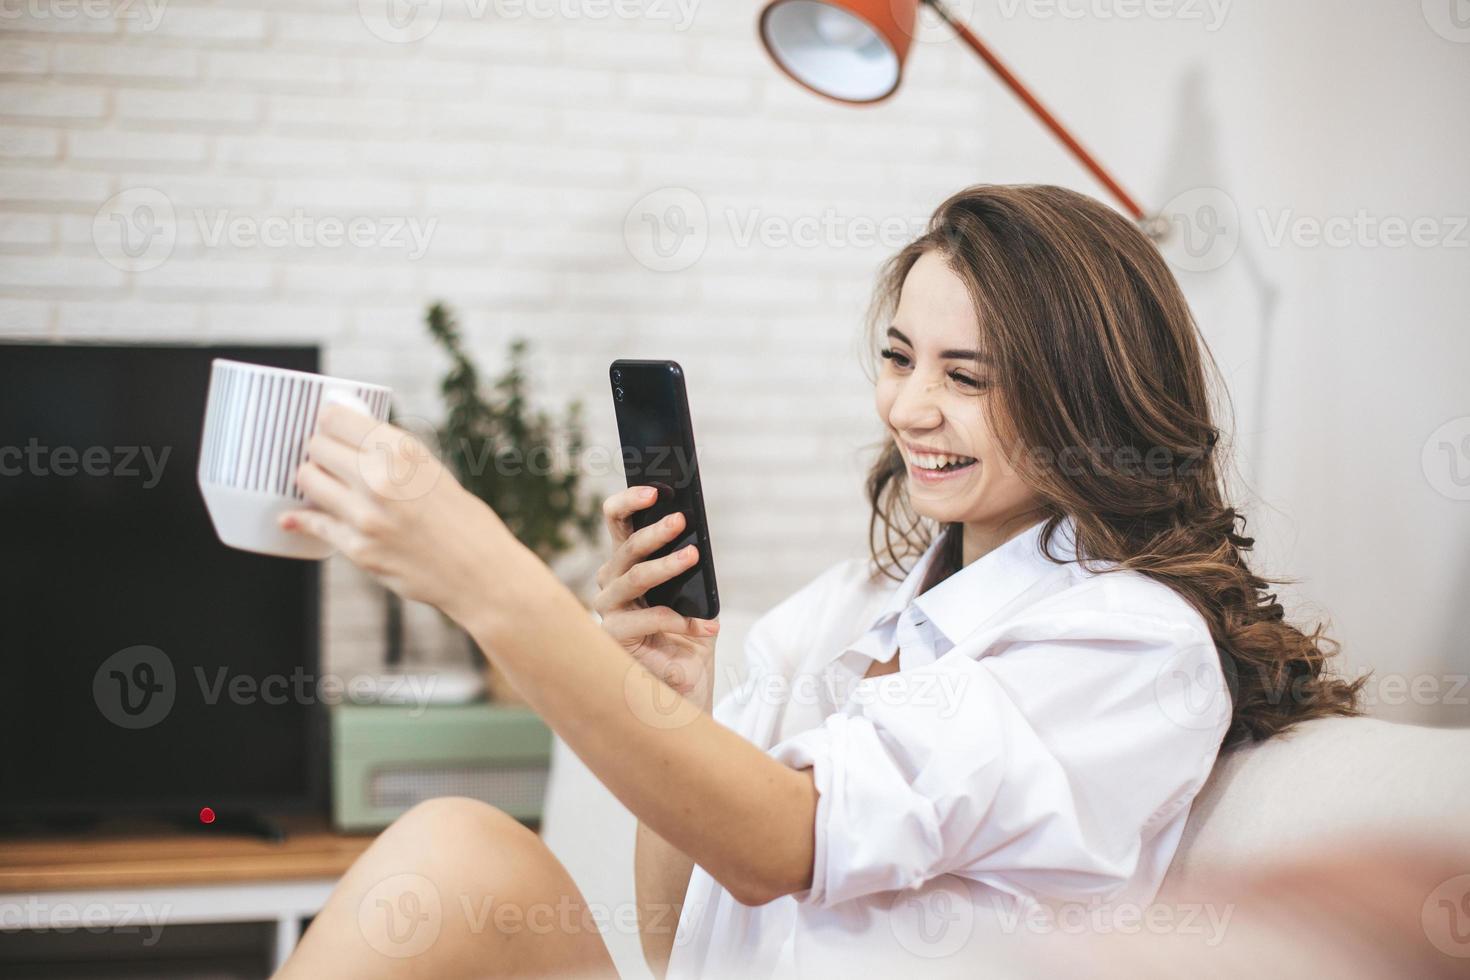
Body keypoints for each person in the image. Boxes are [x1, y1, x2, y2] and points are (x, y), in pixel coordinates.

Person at [272, 184, 1361, 979]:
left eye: (965, 376)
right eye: (900, 358)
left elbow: (777, 842)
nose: (910, 408)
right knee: (456, 848)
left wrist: (481, 572)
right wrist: (669, 696)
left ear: (1089, 400)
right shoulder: (846, 608)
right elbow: (676, 940)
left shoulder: (1126, 644)